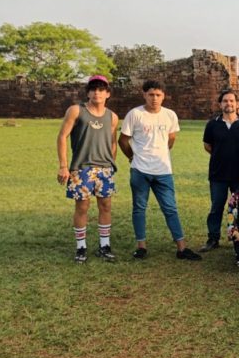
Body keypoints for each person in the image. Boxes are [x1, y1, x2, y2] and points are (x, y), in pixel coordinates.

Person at [118, 80, 202, 261]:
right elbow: (123, 140)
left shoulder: (169, 115)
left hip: (163, 169)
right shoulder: (135, 114)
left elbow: (171, 139)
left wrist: (160, 154)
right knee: (139, 208)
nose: (154, 98)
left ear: (163, 96)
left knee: (170, 208)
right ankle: (141, 246)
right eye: (150, 95)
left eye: (158, 95)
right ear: (144, 95)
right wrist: (132, 157)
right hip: (140, 169)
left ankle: (181, 248)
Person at [56, 75, 119, 263]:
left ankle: (104, 245)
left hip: (104, 169)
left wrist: (111, 163)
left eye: (101, 89)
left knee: (105, 206)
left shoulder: (112, 116)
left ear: (107, 93)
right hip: (81, 168)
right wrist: (63, 166)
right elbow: (62, 137)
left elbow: (113, 142)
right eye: (93, 89)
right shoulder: (76, 110)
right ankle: (81, 247)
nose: (97, 92)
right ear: (88, 92)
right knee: (82, 207)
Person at [200, 89, 239, 252]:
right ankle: (213, 238)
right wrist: (221, 155)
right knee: (217, 207)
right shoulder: (213, 124)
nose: (228, 104)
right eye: (225, 101)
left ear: (237, 104)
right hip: (218, 174)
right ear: (220, 104)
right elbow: (207, 145)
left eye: (231, 101)